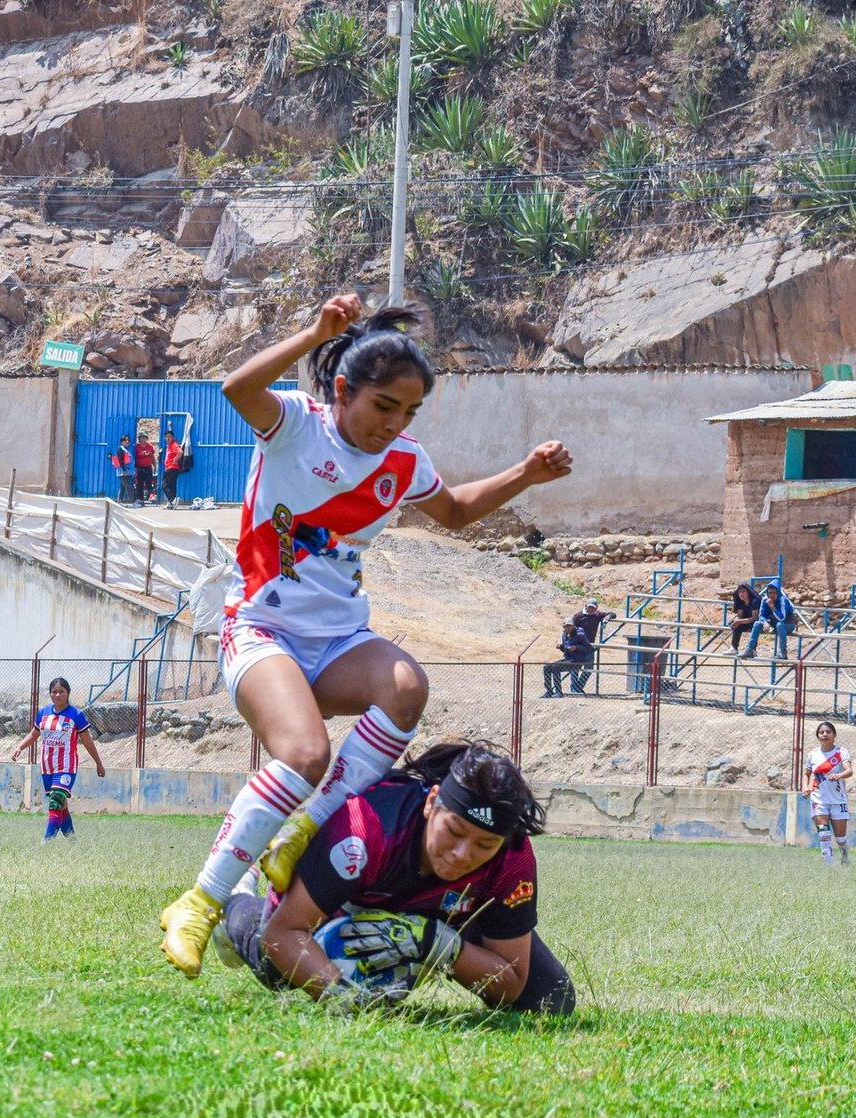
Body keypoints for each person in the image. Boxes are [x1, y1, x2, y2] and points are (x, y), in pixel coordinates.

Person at [158, 293, 572, 977]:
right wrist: (312, 332)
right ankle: (199, 902)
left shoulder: (403, 462)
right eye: (385, 406)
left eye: (409, 413)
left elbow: (457, 511)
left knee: (407, 685)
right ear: (344, 389)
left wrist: (526, 473)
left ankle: (303, 830)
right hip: (262, 630)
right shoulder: (295, 425)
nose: (396, 424)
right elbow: (236, 387)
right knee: (304, 752)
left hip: (340, 638)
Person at [215, 741, 575, 1014]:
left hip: (446, 912)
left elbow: (511, 983)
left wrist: (437, 945)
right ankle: (237, 900)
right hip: (351, 897)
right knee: (275, 967)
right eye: (454, 830)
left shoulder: (512, 857)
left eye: (485, 844)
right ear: (432, 802)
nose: (463, 854)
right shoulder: (366, 827)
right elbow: (284, 934)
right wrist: (345, 1000)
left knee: (548, 998)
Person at [12, 676, 106, 842]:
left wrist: (98, 763)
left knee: (55, 803)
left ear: (68, 693)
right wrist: (20, 747)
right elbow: (34, 734)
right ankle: (73, 842)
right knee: (61, 807)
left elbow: (88, 742)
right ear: (50, 694)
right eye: (54, 692)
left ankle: (46, 843)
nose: (57, 695)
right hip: (47, 767)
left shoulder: (76, 715)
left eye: (61, 691)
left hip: (66, 768)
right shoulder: (43, 713)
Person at [804, 720, 853, 865]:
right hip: (819, 800)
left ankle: (844, 855)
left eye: (828, 732)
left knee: (840, 838)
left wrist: (839, 775)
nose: (825, 734)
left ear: (834, 735)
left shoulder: (840, 752)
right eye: (821, 732)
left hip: (838, 800)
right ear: (818, 736)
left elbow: (849, 771)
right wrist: (805, 786)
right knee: (824, 834)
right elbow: (806, 773)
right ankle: (830, 869)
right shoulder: (813, 754)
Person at [569, 598, 616, 692]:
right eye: (589, 607)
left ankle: (578, 687)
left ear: (596, 608)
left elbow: (613, 614)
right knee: (575, 667)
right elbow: (570, 630)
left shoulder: (597, 615)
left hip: (590, 645)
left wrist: (607, 618)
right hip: (578, 645)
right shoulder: (577, 616)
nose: (590, 609)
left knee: (589, 667)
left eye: (593, 608)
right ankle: (574, 688)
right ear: (585, 606)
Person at [742, 580, 796, 659]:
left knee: (780, 625)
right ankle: (749, 650)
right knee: (757, 624)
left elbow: (782, 618)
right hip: (774, 623)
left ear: (778, 592)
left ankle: (783, 653)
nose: (772, 595)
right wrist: (764, 622)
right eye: (770, 593)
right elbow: (761, 615)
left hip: (788, 624)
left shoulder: (783, 600)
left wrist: (772, 607)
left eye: (774, 593)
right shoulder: (765, 600)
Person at [541, 622, 590, 698]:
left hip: (577, 660)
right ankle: (549, 691)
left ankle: (559, 692)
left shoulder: (580, 634)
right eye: (566, 626)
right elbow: (566, 650)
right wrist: (561, 647)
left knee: (555, 667)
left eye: (569, 626)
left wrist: (576, 647)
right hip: (568, 659)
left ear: (573, 626)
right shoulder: (564, 635)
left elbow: (588, 648)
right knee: (546, 667)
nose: (567, 628)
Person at [729, 581, 760, 653]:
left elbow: (754, 618)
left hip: (756, 622)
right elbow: (740, 616)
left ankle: (753, 649)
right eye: (740, 592)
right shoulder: (740, 602)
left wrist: (739, 621)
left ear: (748, 592)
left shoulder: (754, 601)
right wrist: (736, 620)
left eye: (743, 591)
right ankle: (734, 647)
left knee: (755, 626)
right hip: (746, 621)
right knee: (737, 625)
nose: (741, 594)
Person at [161, 427, 183, 508]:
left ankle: (173, 500)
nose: (167, 438)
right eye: (166, 437)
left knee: (164, 485)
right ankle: (171, 503)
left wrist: (175, 460)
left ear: (173, 437)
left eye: (169, 436)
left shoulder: (174, 444)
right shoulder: (169, 445)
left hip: (172, 468)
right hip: (169, 468)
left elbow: (180, 452)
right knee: (171, 486)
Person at [111, 435, 134, 502]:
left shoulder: (127, 450)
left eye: (128, 440)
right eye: (125, 440)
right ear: (121, 441)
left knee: (123, 487)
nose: (127, 441)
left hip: (127, 472)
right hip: (123, 472)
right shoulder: (120, 449)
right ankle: (133, 502)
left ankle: (119, 500)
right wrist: (124, 470)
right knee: (129, 487)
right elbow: (120, 460)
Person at [135, 433, 157, 503]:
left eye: (145, 437)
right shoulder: (136, 447)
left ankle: (151, 496)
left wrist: (155, 466)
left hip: (148, 467)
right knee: (140, 484)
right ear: (139, 438)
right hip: (139, 468)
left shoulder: (150, 447)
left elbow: (152, 457)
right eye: (142, 437)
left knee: (149, 482)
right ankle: (140, 499)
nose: (143, 439)